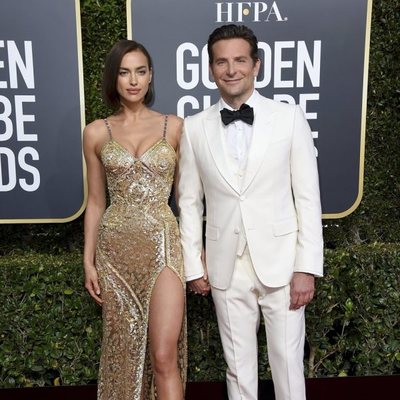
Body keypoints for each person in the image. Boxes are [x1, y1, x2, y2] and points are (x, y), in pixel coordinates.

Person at [178, 24, 323, 400]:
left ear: (256, 65)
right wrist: (194, 266)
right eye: (221, 62)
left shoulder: (289, 118)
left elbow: (308, 197)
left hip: (283, 264)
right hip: (226, 267)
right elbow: (190, 202)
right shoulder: (193, 129)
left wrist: (306, 267)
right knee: (238, 370)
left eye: (240, 60)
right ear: (210, 69)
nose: (231, 70)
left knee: (288, 366)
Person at [83, 39, 186, 400]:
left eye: (140, 71)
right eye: (125, 72)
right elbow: (96, 202)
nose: (133, 80)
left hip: (164, 246)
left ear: (151, 76)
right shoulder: (96, 132)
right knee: (124, 355)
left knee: (163, 355)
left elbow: (185, 200)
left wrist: (196, 252)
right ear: (114, 78)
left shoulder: (174, 127)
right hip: (115, 252)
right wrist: (89, 260)